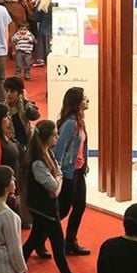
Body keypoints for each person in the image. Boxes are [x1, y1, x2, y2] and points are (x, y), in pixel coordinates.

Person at [20, 120, 92, 273]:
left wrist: (57, 180)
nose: (57, 137)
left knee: (33, 241)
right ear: (46, 138)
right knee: (58, 247)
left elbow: (57, 176)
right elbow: (54, 189)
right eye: (54, 135)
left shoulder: (48, 154)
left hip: (46, 209)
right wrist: (57, 181)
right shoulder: (38, 162)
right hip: (45, 210)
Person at [54, 87, 91, 256]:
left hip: (78, 171)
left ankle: (70, 241)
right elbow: (59, 150)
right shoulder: (70, 124)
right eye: (84, 98)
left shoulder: (78, 121)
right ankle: (41, 237)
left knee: (79, 206)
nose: (87, 101)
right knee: (62, 209)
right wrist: (58, 172)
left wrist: (85, 164)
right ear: (77, 102)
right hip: (69, 173)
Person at [3, 77, 39, 153]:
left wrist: (25, 100)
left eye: (12, 91)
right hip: (12, 146)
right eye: (6, 91)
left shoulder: (25, 105)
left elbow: (35, 116)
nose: (8, 94)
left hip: (28, 141)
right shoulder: (3, 109)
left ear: (20, 93)